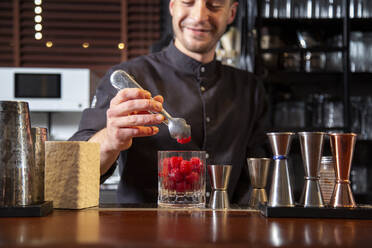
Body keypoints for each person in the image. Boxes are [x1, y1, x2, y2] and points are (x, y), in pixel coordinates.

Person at [69, 0, 269, 204]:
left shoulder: (249, 88)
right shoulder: (130, 77)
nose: (199, 16)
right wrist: (110, 141)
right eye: (188, 2)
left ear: (231, 13)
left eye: (214, 5)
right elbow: (71, 173)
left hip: (223, 231)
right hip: (141, 232)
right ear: (173, 6)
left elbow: (255, 179)